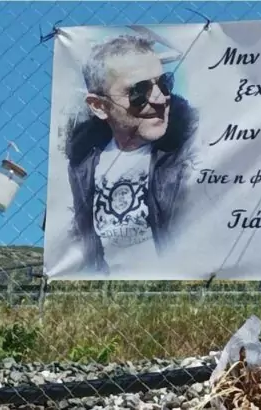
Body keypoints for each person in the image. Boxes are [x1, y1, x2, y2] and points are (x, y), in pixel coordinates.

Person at [62, 34, 199, 273]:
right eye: (139, 91)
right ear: (99, 106)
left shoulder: (192, 149)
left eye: (164, 83)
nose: (160, 99)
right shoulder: (81, 165)